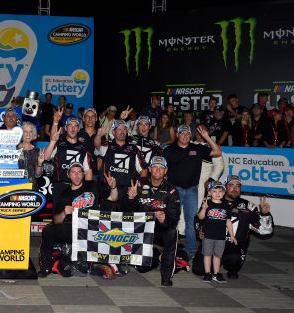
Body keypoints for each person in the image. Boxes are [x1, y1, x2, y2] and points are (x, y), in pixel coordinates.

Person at [37, 162, 116, 278]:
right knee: (48, 230)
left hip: (92, 227)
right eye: (73, 172)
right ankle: (46, 266)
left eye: (79, 172)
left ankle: (94, 262)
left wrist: (113, 187)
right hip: (72, 227)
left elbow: (114, 198)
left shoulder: (93, 186)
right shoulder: (64, 194)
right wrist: (64, 213)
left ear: (83, 174)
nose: (77, 175)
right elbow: (57, 220)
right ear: (68, 175)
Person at [192, 175, 274, 279]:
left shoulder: (248, 207)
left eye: (238, 186)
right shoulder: (210, 202)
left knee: (234, 262)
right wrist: (199, 231)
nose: (235, 188)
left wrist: (265, 215)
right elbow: (198, 220)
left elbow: (265, 231)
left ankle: (231, 267)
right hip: (212, 242)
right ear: (225, 187)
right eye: (231, 185)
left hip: (234, 245)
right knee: (199, 270)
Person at [162, 124, 222, 257]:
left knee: (191, 221)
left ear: (191, 135)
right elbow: (161, 169)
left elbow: (217, 152)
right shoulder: (169, 150)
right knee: (173, 220)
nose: (185, 136)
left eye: (187, 134)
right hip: (175, 190)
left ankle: (191, 249)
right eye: (182, 133)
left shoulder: (198, 148)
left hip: (192, 190)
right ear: (177, 135)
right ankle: (171, 247)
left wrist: (207, 137)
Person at [123, 156, 181, 286]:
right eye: (155, 167)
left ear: (166, 171)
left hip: (160, 229)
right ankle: (154, 255)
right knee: (142, 268)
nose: (158, 170)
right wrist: (130, 198)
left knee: (173, 232)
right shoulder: (138, 184)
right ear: (150, 169)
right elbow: (125, 211)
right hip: (141, 229)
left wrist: (165, 219)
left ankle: (166, 275)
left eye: (161, 168)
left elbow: (174, 218)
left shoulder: (172, 191)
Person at [94, 119, 146, 211]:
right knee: (107, 222)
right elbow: (97, 146)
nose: (122, 132)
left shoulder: (133, 149)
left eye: (124, 129)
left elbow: (143, 169)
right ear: (113, 132)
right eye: (119, 129)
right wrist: (98, 135)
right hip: (108, 190)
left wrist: (139, 185)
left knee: (126, 222)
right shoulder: (107, 146)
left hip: (127, 192)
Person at [196, 181, 236, 283]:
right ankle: (207, 273)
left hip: (220, 236)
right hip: (208, 235)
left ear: (223, 193)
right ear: (209, 193)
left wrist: (232, 235)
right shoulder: (206, 204)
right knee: (207, 254)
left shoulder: (225, 206)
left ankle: (216, 273)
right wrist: (204, 209)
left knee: (218, 256)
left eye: (220, 191)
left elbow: (228, 221)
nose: (217, 193)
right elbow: (200, 217)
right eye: (214, 191)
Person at [44, 115, 93, 185]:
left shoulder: (84, 149)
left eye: (75, 126)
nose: (73, 128)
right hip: (59, 186)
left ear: (79, 129)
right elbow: (45, 157)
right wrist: (52, 141)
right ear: (66, 128)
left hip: (77, 187)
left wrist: (88, 188)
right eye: (70, 126)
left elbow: (88, 171)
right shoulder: (58, 144)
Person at [18, 121, 44, 190]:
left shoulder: (37, 151)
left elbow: (38, 175)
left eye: (30, 132)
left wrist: (39, 163)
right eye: (25, 132)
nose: (28, 134)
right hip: (16, 187)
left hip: (32, 188)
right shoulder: (14, 149)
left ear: (33, 134)